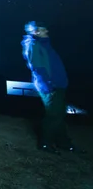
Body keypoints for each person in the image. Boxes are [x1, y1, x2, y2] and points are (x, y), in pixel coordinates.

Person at [22, 21, 84, 153]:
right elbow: (37, 68)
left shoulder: (45, 45)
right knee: (54, 115)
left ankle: (64, 143)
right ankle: (45, 143)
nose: (47, 32)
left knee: (59, 114)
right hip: (50, 86)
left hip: (58, 84)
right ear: (36, 32)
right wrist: (49, 84)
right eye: (44, 30)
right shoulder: (34, 45)